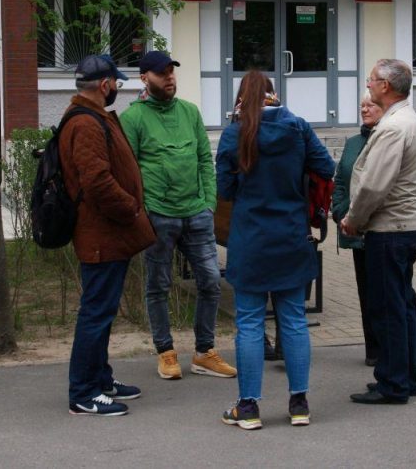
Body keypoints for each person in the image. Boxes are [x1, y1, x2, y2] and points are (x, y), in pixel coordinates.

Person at [215, 71, 335, 430]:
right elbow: (326, 168)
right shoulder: (297, 127)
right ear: (273, 93)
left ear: (240, 98)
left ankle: (248, 407)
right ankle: (299, 403)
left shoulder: (235, 133)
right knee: (294, 320)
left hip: (250, 239)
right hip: (290, 236)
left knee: (250, 322)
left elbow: (224, 189)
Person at [119, 50, 236, 380]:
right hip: (158, 215)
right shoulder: (134, 118)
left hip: (197, 213)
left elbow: (204, 160)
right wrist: (143, 211)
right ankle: (166, 352)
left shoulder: (189, 111)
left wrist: (208, 202)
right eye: (161, 73)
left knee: (211, 281)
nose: (169, 77)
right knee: (158, 285)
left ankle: (204, 352)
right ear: (144, 78)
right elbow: (129, 172)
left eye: (171, 71)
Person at [62, 54, 156, 417]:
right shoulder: (85, 124)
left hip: (108, 235)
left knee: (102, 310)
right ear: (104, 86)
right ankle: (83, 392)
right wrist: (131, 207)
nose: (117, 87)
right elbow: (98, 182)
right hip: (100, 235)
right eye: (115, 82)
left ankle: (100, 378)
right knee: (96, 313)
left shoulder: (93, 117)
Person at [332, 92, 416, 370]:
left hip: (386, 224)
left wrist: (399, 191)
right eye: (361, 106)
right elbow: (342, 179)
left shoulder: (395, 131)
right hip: (358, 226)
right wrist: (340, 209)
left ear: (384, 107)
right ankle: (377, 350)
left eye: (370, 105)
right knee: (369, 290)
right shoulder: (354, 143)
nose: (365, 109)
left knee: (395, 293)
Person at [341, 59, 416, 405]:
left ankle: (393, 383)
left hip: (389, 228)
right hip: (404, 227)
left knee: (388, 308)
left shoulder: (393, 127)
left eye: (373, 79)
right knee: (400, 303)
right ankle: (404, 377)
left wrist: (353, 219)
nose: (368, 83)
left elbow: (374, 186)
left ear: (386, 87)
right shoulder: (406, 118)